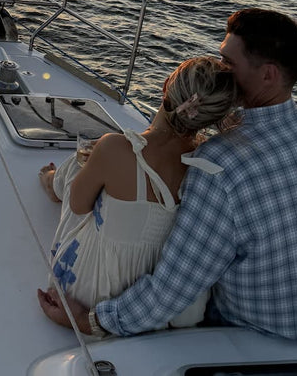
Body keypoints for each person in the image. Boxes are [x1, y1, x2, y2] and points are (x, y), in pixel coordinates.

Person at [38, 9, 297, 343]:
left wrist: (89, 321)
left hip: (250, 329)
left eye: (228, 63)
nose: (221, 70)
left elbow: (173, 288)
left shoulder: (218, 164)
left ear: (268, 75)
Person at [39, 56, 240, 330]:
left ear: (166, 86)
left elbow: (78, 205)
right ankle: (59, 180)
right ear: (215, 118)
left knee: (82, 165)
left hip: (88, 289)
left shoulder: (116, 148)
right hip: (150, 304)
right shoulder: (207, 169)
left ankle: (52, 182)